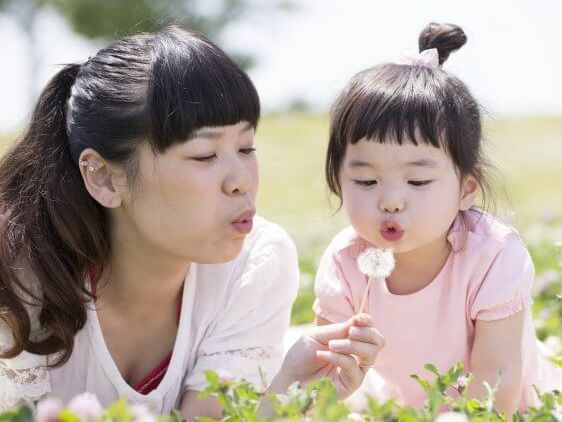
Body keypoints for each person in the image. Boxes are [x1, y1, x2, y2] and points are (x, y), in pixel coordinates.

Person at [0, 25, 383, 419]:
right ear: (102, 177)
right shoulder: (18, 281)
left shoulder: (255, 264)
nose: (241, 181)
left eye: (246, 147)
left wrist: (285, 392)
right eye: (204, 155)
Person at [313, 22, 562, 416]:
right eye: (366, 180)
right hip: (404, 408)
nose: (392, 201)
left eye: (417, 180)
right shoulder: (345, 261)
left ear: (467, 188)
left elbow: (496, 379)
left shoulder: (492, 254)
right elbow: (322, 375)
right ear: (337, 180)